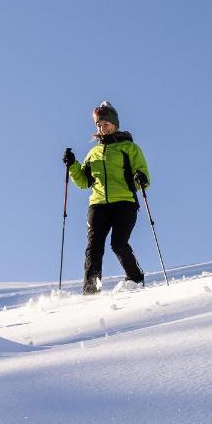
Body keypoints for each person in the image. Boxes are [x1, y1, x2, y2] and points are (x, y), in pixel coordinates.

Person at [62, 101, 149, 295]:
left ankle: (135, 278)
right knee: (93, 247)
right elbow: (84, 182)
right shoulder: (93, 153)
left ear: (115, 124)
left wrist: (140, 178)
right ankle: (91, 289)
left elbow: (143, 175)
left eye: (105, 124)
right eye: (99, 125)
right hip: (98, 204)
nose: (102, 128)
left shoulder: (129, 148)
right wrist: (73, 165)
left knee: (118, 243)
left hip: (124, 202)